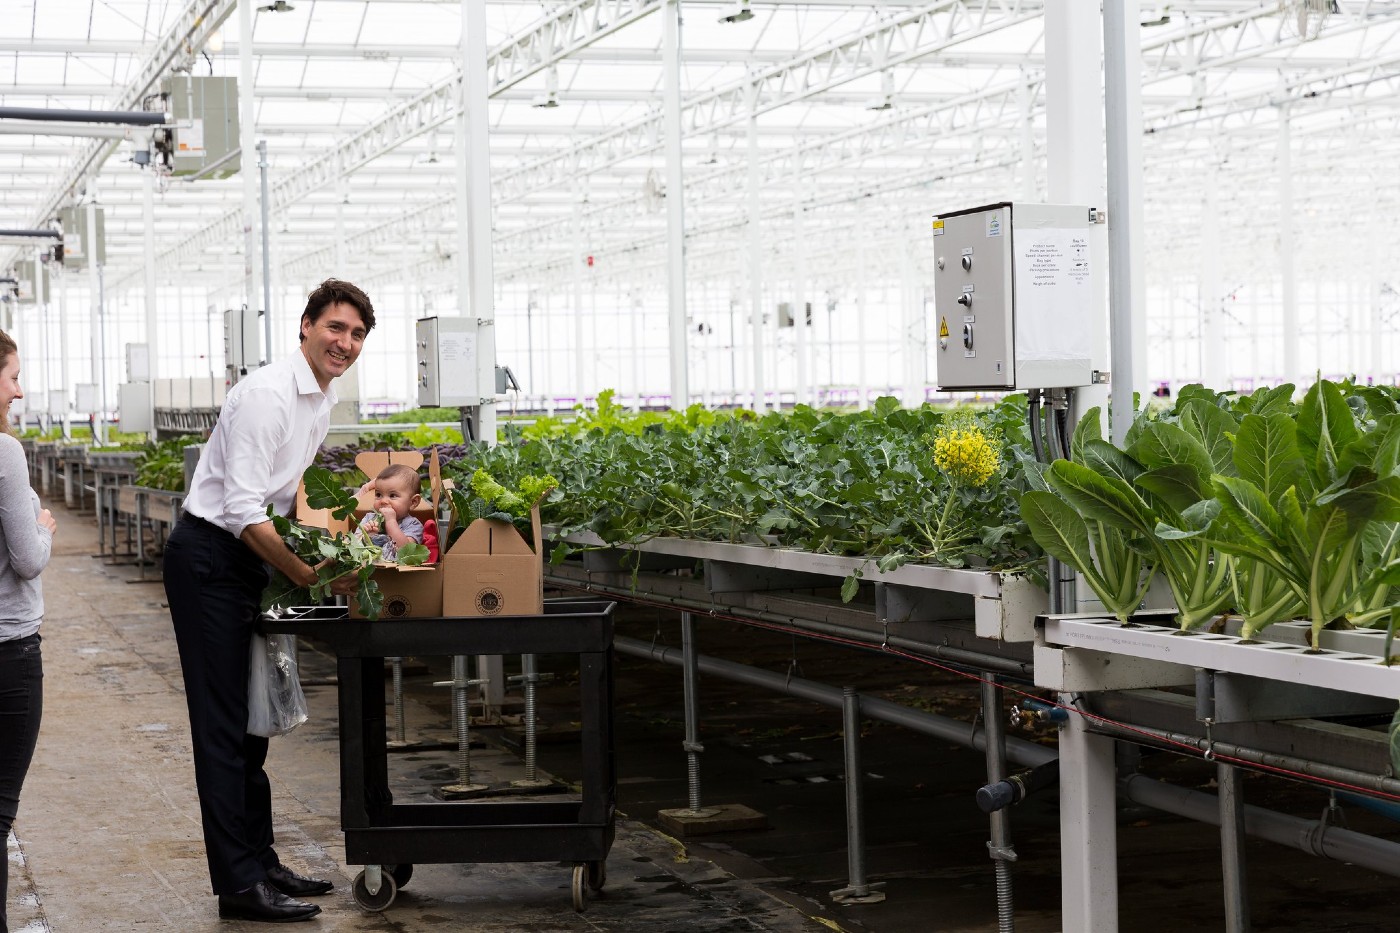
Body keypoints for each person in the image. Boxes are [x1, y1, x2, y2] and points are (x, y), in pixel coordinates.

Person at [163, 280, 375, 923]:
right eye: (336, 328)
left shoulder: (320, 399)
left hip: (249, 560)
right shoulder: (265, 396)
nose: (346, 343)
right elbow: (241, 511)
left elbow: (286, 503)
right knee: (223, 728)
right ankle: (238, 886)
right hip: (210, 560)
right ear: (305, 326)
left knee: (253, 723)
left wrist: (341, 541)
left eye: (358, 335)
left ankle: (260, 860)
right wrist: (306, 575)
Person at [0, 330, 56, 933]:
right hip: (8, 651)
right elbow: (28, 559)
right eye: (12, 375)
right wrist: (43, 524)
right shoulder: (4, 453)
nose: (19, 389)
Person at [356, 463, 424, 560]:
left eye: (392, 495)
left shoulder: (413, 525)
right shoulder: (369, 518)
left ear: (413, 502)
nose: (383, 501)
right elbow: (353, 545)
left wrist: (391, 522)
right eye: (378, 495)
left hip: (396, 573)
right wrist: (368, 537)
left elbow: (406, 552)